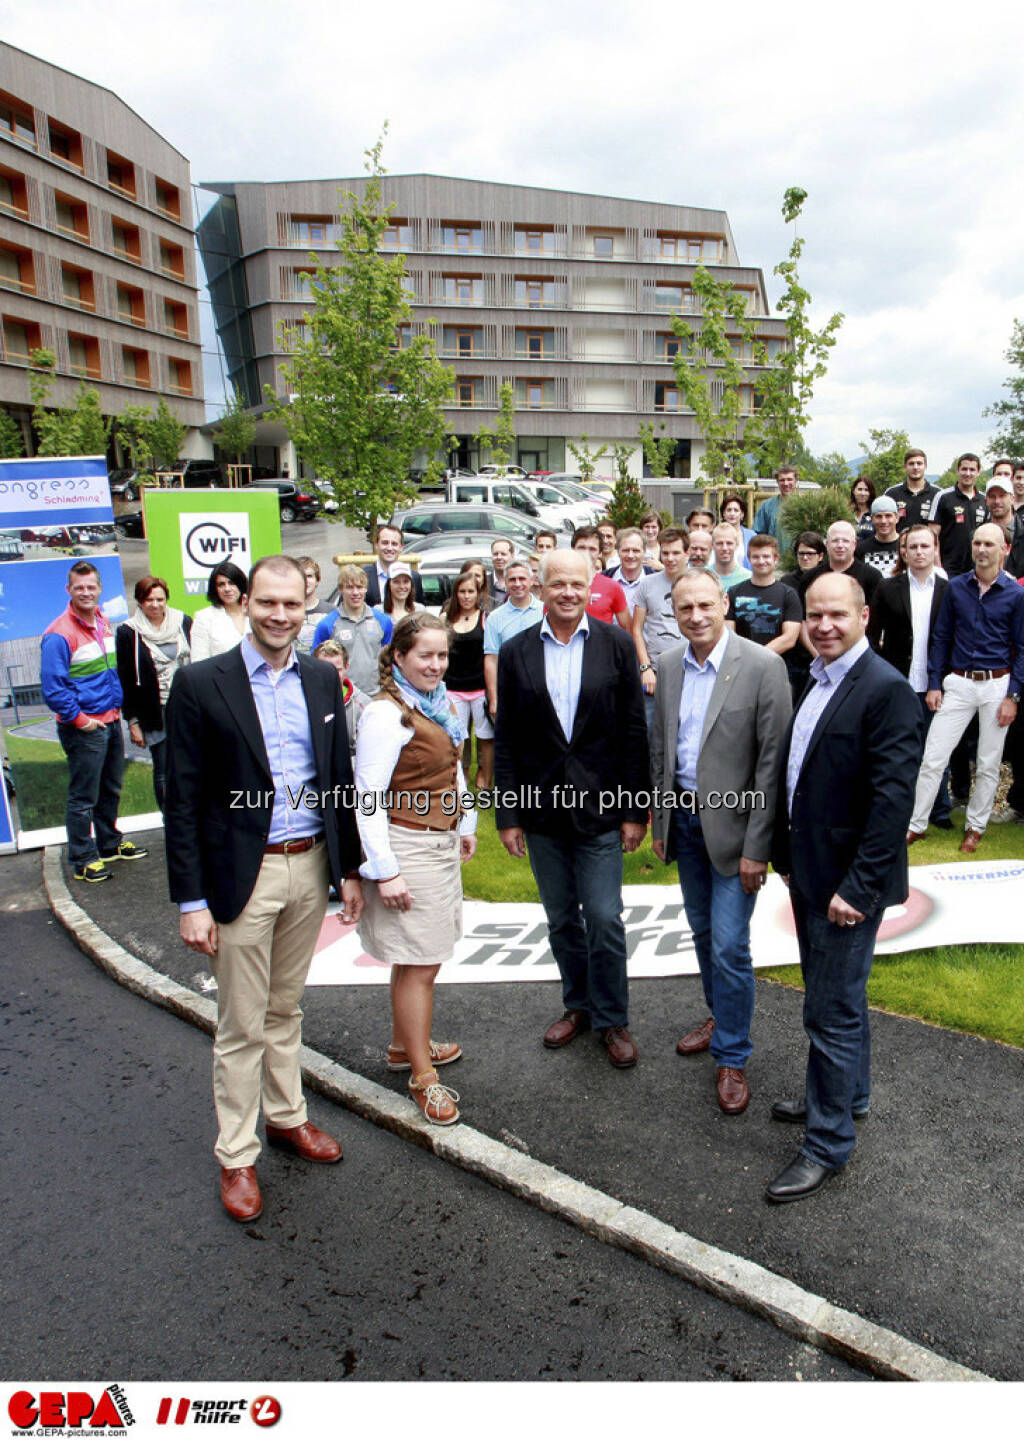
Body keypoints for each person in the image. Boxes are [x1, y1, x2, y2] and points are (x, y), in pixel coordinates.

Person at [164, 555, 365, 1223]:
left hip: (309, 867)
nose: (281, 615)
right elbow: (182, 798)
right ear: (246, 603)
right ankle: (236, 1156)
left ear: (306, 607)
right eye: (268, 602)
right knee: (241, 1023)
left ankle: (287, 1118)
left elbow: (338, 778)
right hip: (239, 877)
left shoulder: (319, 677)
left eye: (292, 605)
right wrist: (191, 901)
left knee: (286, 1010)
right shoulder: (199, 684)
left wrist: (349, 869)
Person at [767, 573, 922, 1204]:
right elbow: (800, 778)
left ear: (863, 616)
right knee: (840, 1001)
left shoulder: (885, 691)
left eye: (837, 614)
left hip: (846, 886)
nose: (824, 625)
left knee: (827, 1012)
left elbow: (892, 804)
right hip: (810, 872)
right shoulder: (815, 678)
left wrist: (858, 888)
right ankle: (847, 1097)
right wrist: (784, 855)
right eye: (814, 615)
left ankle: (828, 1143)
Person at [495, 548, 649, 1068]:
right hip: (541, 812)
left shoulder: (615, 645)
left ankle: (613, 1018)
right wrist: (510, 815)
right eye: (556, 584)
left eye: (577, 585)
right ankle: (577, 1005)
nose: (567, 593)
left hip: (602, 809)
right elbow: (509, 738)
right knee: (561, 919)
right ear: (540, 589)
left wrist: (635, 809)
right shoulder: (516, 652)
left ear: (592, 589)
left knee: (604, 918)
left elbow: (633, 729)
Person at [651, 570, 790, 1113]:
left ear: (724, 603)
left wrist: (759, 845)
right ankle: (720, 1015)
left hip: (738, 833)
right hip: (685, 824)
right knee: (704, 932)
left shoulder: (763, 666)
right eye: (685, 608)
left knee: (731, 944)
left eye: (705, 604)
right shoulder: (667, 665)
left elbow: (771, 764)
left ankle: (732, 1055)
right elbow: (664, 750)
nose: (696, 616)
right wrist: (662, 823)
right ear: (675, 612)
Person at [354, 613, 477, 1124]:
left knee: (415, 958)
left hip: (438, 843)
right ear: (399, 656)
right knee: (422, 964)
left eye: (442, 654)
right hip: (409, 847)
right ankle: (422, 1077)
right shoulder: (385, 714)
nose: (436, 663)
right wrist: (385, 870)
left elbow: (451, 768)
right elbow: (367, 797)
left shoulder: (435, 703)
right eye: (425, 655)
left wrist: (465, 819)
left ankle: (406, 1046)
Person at [906, 523, 1024, 852]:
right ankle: (916, 824)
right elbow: (941, 638)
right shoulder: (956, 588)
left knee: (988, 762)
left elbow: (1023, 648)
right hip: (957, 682)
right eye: (977, 543)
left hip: (996, 685)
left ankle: (975, 826)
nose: (982, 549)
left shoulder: (1016, 595)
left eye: (989, 543)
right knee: (933, 757)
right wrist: (933, 683)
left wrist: (1013, 696)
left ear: (1005, 550)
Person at [40, 561, 148, 883]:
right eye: (79, 587)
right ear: (69, 590)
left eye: (91, 587)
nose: (86, 593)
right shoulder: (58, 634)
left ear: (99, 589)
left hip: (111, 719)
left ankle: (109, 843)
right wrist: (81, 720)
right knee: (83, 797)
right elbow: (53, 688)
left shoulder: (102, 620)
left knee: (110, 788)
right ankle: (83, 859)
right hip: (85, 727)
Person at [868, 525, 952, 830]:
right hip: (898, 682)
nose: (918, 552)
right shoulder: (888, 588)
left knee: (936, 751)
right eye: (912, 547)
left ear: (934, 549)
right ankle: (898, 809)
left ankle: (939, 811)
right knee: (899, 751)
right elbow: (872, 634)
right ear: (904, 551)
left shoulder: (948, 589)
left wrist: (940, 680)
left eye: (924, 546)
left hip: (935, 685)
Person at [116, 575, 192, 813]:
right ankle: (170, 820)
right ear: (139, 601)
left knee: (193, 764)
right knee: (164, 769)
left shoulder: (183, 622)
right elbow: (127, 680)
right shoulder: (129, 632)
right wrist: (133, 722)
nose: (155, 605)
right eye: (149, 600)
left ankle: (195, 818)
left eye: (160, 599)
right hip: (155, 710)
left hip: (188, 707)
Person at [632, 526, 687, 732]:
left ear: (687, 553)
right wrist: (645, 668)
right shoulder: (647, 584)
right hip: (655, 671)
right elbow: (636, 629)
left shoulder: (697, 581)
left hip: (688, 670)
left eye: (676, 553)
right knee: (650, 731)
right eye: (665, 553)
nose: (670, 558)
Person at [444, 571, 493, 789]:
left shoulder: (486, 618)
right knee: (456, 737)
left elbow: (491, 655)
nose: (466, 596)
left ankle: (485, 777)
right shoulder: (445, 619)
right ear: (456, 594)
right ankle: (458, 776)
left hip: (480, 688)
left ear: (477, 593)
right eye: (462, 591)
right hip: (453, 688)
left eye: (470, 591)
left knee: (485, 736)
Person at [312, 564, 392, 696]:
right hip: (342, 695)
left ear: (366, 588)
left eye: (360, 587)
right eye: (349, 587)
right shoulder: (327, 624)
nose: (355, 592)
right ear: (341, 589)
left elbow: (389, 660)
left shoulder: (383, 621)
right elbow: (317, 664)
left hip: (376, 695)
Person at [482, 558, 543, 719]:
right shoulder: (495, 618)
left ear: (531, 581)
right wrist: (494, 699)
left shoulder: (546, 612)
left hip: (542, 689)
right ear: (506, 583)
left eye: (522, 579)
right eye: (512, 579)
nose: (517, 584)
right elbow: (491, 659)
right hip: (510, 689)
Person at [727, 535, 802, 655]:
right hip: (741, 662)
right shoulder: (734, 593)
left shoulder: (788, 594)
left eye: (766, 556)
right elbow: (729, 634)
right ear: (749, 559)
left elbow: (789, 638)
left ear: (776, 559)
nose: (761, 561)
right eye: (756, 557)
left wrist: (758, 657)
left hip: (777, 665)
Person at [929, 453, 988, 577]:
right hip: (948, 569)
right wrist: (938, 567)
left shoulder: (984, 500)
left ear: (978, 472)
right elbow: (932, 536)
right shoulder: (943, 497)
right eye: (964, 469)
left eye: (972, 470)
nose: (968, 473)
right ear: (958, 470)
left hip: (977, 569)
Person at [312, 638, 369, 750]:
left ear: (346, 668)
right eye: (324, 669)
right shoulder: (303, 700)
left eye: (336, 670)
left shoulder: (363, 705)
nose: (330, 675)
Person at [189, 561, 249, 662]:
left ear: (241, 584)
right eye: (221, 584)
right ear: (215, 589)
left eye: (232, 583)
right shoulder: (204, 618)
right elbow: (198, 662)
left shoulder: (255, 612)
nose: (227, 589)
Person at [571, 526, 629, 628]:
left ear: (600, 553)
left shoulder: (612, 587)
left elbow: (628, 628)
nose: (586, 553)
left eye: (592, 549)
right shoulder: (558, 585)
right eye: (581, 548)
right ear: (573, 549)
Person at [363, 524, 424, 604]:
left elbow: (418, 613)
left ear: (401, 547)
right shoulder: (363, 575)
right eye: (385, 543)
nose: (389, 548)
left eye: (394, 544)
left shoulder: (414, 577)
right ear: (376, 545)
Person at [885, 448, 940, 532]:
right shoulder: (891, 493)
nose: (915, 467)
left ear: (925, 466)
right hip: (898, 544)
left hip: (926, 544)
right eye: (911, 464)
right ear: (905, 467)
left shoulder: (938, 494)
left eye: (919, 463)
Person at [604, 527, 655, 614]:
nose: (630, 555)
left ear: (644, 552)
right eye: (625, 550)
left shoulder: (655, 581)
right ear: (618, 551)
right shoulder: (605, 579)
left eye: (636, 551)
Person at [752, 466, 798, 551]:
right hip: (773, 558)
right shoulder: (766, 506)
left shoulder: (803, 506)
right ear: (777, 482)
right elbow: (759, 536)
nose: (786, 483)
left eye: (789, 479)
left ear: (796, 481)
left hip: (799, 559)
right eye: (782, 480)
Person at [856, 496, 902, 579]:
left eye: (888, 516)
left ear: (897, 518)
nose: (883, 521)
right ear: (872, 519)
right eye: (878, 516)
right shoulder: (860, 549)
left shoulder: (906, 546)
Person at [295, 555, 332, 652]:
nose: (306, 581)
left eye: (309, 576)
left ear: (317, 580)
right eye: (301, 576)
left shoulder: (331, 612)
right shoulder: (286, 612)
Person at [709, 522, 751, 591]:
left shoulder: (748, 578)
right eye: (719, 543)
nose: (724, 548)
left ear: (737, 545)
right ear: (712, 545)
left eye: (729, 543)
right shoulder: (704, 576)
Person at [720, 493, 755, 565]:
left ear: (742, 514)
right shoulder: (716, 534)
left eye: (736, 510)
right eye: (729, 510)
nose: (732, 513)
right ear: (723, 513)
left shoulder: (752, 536)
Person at [849, 476, 876, 540]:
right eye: (860, 489)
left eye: (866, 490)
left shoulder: (875, 514)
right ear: (853, 491)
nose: (862, 493)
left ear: (870, 493)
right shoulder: (847, 513)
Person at [489, 538, 514, 603]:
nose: (499, 557)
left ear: (512, 556)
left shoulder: (519, 583)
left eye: (503, 554)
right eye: (495, 554)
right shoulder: (483, 583)